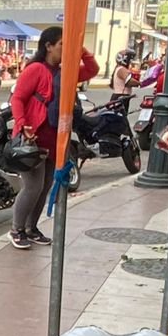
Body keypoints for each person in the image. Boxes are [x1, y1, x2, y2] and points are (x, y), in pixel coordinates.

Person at [8, 26, 99, 250]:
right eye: (62, 45)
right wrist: (22, 125)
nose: (65, 50)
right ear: (48, 46)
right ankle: (16, 229)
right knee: (32, 186)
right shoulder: (35, 69)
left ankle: (31, 228)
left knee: (46, 184)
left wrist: (81, 50)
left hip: (55, 137)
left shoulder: (66, 71)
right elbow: (17, 99)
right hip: (33, 136)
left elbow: (92, 69)